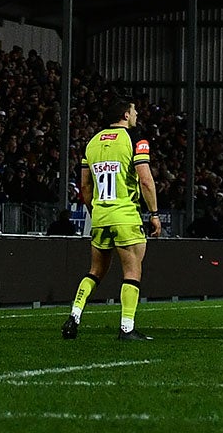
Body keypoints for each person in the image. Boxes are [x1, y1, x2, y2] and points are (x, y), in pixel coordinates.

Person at [64, 98, 162, 342]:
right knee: (132, 270)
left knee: (95, 271)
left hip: (100, 216)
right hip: (125, 215)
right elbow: (146, 180)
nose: (137, 113)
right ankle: (127, 328)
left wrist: (94, 210)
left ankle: (74, 316)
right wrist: (154, 214)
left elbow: (85, 186)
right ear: (125, 115)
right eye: (134, 110)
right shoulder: (135, 140)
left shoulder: (92, 142)